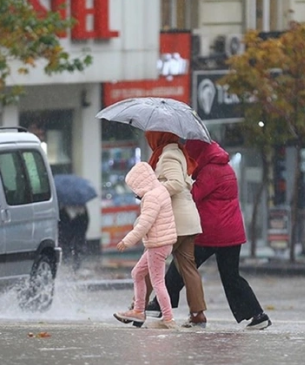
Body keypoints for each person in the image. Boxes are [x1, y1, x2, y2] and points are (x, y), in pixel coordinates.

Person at [145, 140, 272, 330]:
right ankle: (257, 315)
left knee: (182, 264)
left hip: (212, 232)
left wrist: (182, 181)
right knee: (231, 277)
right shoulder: (224, 168)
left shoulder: (211, 171)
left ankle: (159, 306)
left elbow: (193, 195)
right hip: (231, 233)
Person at [144, 131, 206, 328]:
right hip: (188, 220)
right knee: (189, 267)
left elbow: (177, 184)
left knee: (149, 263)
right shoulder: (180, 152)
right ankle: (198, 314)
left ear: (159, 136)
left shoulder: (168, 155)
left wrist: (153, 192)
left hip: (175, 220)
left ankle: (138, 307)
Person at [113, 162, 178, 329]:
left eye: (134, 187)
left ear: (140, 183)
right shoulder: (160, 190)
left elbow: (144, 225)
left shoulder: (151, 197)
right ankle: (139, 311)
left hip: (157, 244)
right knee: (137, 273)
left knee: (157, 282)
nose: (134, 192)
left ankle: (168, 318)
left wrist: (126, 241)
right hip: (162, 243)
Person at [58, 204, 89, 272]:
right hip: (69, 233)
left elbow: (85, 222)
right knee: (69, 247)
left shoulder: (81, 210)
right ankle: (69, 264)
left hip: (75, 233)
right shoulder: (82, 209)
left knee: (76, 248)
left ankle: (74, 265)